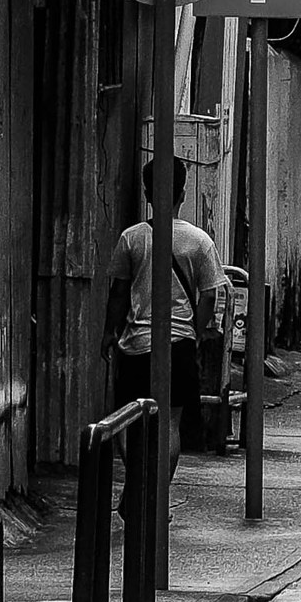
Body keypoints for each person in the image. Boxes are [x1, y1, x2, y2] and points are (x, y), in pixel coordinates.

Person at [102, 158, 227, 452]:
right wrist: (193, 331)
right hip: (180, 345)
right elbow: (209, 295)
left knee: (127, 419)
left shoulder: (131, 238)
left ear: (146, 193)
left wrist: (109, 332)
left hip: (137, 344)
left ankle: (136, 489)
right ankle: (159, 491)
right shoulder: (200, 241)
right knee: (170, 424)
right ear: (183, 193)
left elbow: (118, 292)